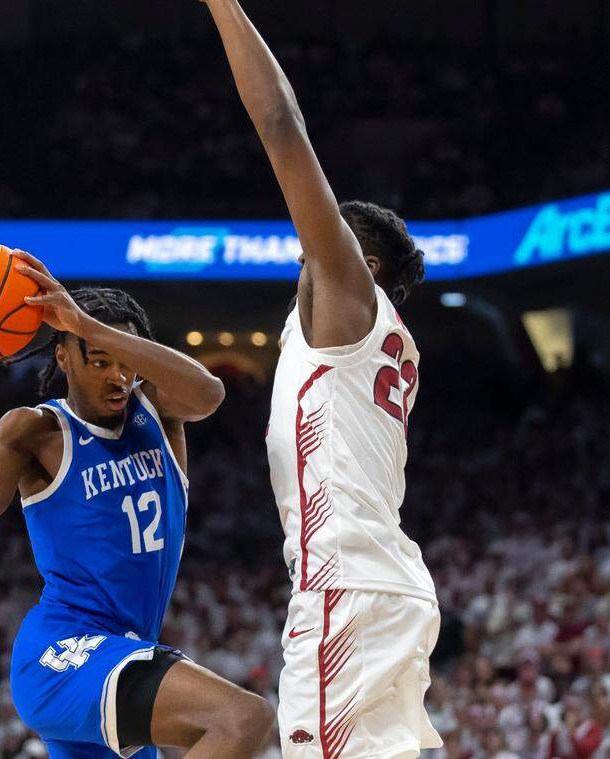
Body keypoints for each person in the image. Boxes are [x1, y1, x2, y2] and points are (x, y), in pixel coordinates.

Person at [202, 2, 439, 756]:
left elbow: (279, 123)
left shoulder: (348, 296)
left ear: (362, 265)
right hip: (379, 583)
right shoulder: (377, 342)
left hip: (350, 587)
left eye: (323, 242)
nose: (308, 251)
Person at [0, 256, 274, 758]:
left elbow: (210, 393)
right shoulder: (37, 430)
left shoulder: (158, 410)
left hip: (128, 651)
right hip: (63, 652)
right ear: (63, 359)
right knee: (243, 718)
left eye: (124, 360)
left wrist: (87, 327)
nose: (117, 376)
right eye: (98, 360)